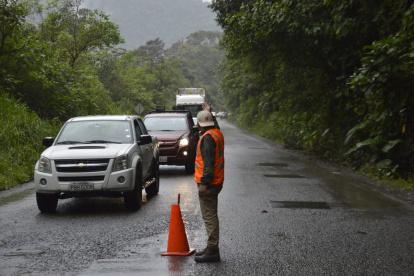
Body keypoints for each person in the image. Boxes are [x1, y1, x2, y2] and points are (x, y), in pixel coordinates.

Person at [194, 110, 225, 263]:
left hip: (210, 184)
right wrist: (209, 110)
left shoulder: (207, 139)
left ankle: (213, 250)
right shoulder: (216, 132)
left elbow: (208, 165)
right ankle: (211, 247)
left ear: (200, 124)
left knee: (209, 216)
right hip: (217, 182)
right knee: (211, 214)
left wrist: (204, 184)